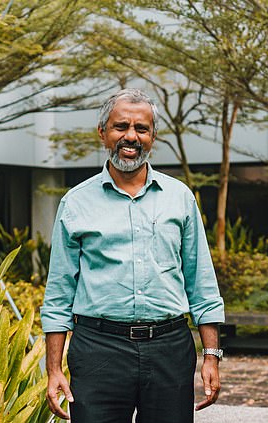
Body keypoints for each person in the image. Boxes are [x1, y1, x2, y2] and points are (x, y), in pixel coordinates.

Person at [40, 88, 225, 423]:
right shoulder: (75, 202)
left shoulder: (179, 198)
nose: (131, 136)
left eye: (141, 128)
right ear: (103, 133)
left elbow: (202, 283)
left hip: (169, 348)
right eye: (120, 126)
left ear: (153, 136)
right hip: (98, 350)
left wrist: (211, 356)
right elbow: (59, 293)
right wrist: (53, 369)